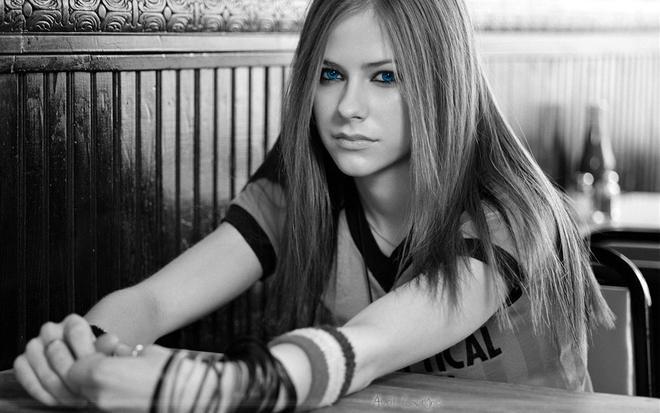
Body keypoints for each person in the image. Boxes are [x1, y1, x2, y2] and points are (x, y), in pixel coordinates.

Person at [13, 0, 614, 411]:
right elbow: (154, 301)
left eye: (385, 77)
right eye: (329, 75)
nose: (347, 107)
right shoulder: (303, 185)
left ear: (442, 84)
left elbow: (366, 347)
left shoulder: (511, 209)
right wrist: (80, 350)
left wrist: (199, 388)